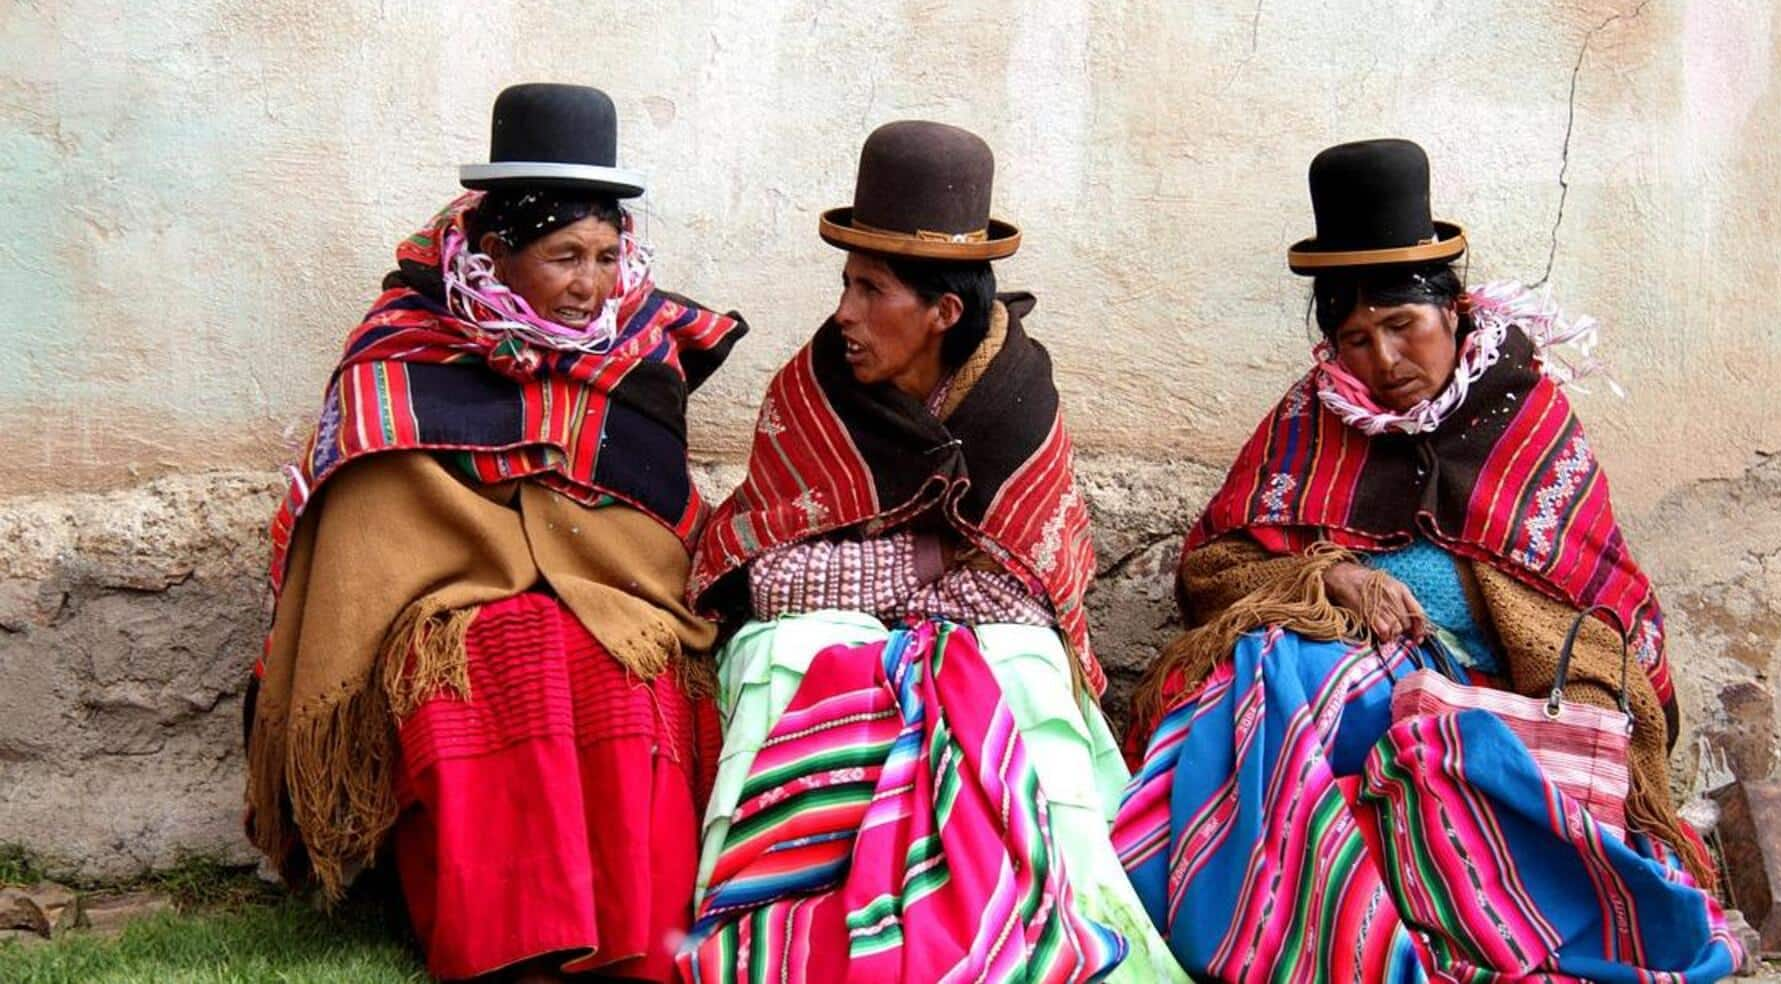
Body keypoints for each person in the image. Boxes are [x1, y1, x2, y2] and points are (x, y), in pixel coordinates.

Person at [1114, 139, 1744, 983]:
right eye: (1355, 339)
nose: (1382, 362)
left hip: (1486, 694)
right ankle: (1265, 921)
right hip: (1336, 679)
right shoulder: (1310, 417)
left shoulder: (1528, 418)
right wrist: (1330, 575)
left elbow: (1589, 608)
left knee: (1309, 684)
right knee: (1267, 666)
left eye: (1403, 326)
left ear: (1454, 311)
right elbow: (1215, 568)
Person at [244, 83, 747, 982]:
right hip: (447, 597)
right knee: (499, 657)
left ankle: (637, 940)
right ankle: (512, 944)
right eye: (562, 257)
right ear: (492, 252)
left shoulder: (640, 345)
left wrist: (567, 552)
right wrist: (502, 550)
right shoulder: (404, 341)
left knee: (621, 671)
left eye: (603, 255)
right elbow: (371, 505)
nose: (588, 284)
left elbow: (652, 513)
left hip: (613, 590)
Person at [677, 121, 1188, 982]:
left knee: (1024, 667)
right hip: (830, 629)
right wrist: (929, 566)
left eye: (871, 290)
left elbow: (1029, 595)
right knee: (783, 653)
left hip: (969, 635)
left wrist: (891, 606)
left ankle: (1042, 931)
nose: (843, 313)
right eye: (845, 283)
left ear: (945, 312)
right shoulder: (813, 392)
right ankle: (779, 940)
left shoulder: (1017, 401)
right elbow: (767, 578)